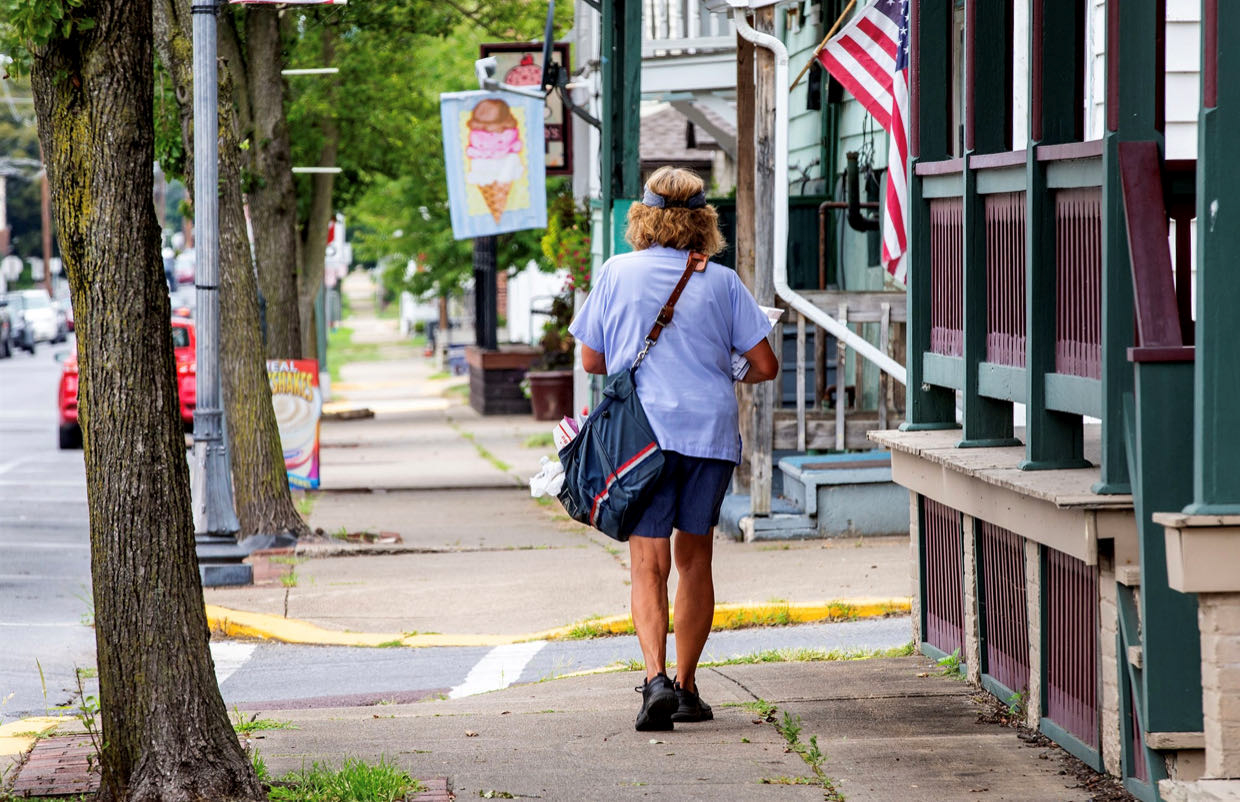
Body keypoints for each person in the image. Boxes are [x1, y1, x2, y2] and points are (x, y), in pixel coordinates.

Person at [568, 166, 779, 732]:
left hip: (643, 437)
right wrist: (719, 360)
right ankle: (686, 689)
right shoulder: (723, 282)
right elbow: (764, 365)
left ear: (641, 217)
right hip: (708, 435)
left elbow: (591, 359)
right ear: (703, 221)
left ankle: (655, 679)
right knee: (695, 559)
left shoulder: (616, 273)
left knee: (648, 562)